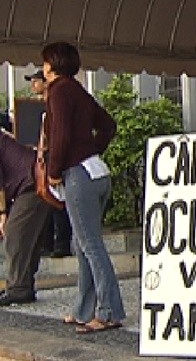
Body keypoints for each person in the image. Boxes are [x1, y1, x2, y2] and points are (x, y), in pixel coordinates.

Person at [41, 41, 125, 333]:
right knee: (82, 244)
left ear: (51, 64)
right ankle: (83, 308)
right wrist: (91, 149)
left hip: (78, 175)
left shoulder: (59, 90)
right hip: (96, 172)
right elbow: (108, 125)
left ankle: (108, 311)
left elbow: (60, 135)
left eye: (44, 63)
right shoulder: (78, 89)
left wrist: (54, 171)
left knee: (90, 245)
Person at [25, 69, 73, 258]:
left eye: (36, 81)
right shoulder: (43, 108)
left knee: (58, 201)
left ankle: (62, 244)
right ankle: (48, 243)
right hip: (44, 158)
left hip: (55, 158)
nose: (33, 85)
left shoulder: (55, 105)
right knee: (46, 199)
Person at [0, 130, 52, 306]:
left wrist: (2, 214)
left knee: (15, 234)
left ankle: (18, 288)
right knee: (28, 237)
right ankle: (23, 285)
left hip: (32, 182)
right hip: (37, 179)